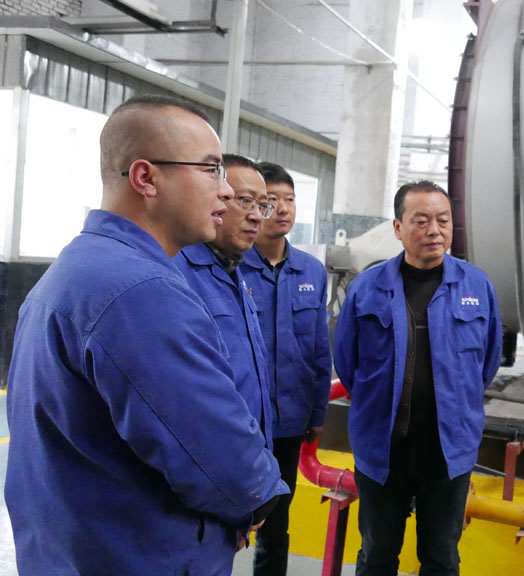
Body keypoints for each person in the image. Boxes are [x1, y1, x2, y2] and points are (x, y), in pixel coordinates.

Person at [4, 95, 288, 575]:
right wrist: (259, 497)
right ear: (145, 178)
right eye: (211, 170)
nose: (225, 191)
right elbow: (221, 462)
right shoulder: (141, 291)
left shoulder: (79, 270)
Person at [334, 180, 502, 576]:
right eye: (421, 220)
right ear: (398, 228)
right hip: (383, 450)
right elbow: (347, 361)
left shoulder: (477, 286)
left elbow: (488, 362)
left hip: (447, 452)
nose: (435, 230)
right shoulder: (366, 288)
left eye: (443, 220)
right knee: (377, 555)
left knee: (441, 559)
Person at [242, 161, 331, 576]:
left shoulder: (311, 271)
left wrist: (317, 413)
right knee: (224, 521)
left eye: (289, 199)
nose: (282, 208)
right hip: (241, 420)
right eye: (271, 200)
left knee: (277, 523)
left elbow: (319, 349)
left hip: (290, 422)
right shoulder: (231, 266)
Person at [173, 154, 277, 450]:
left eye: (262, 205)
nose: (256, 216)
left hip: (249, 450)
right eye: (245, 201)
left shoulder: (234, 272)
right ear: (216, 196)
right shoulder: (178, 273)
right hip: (212, 456)